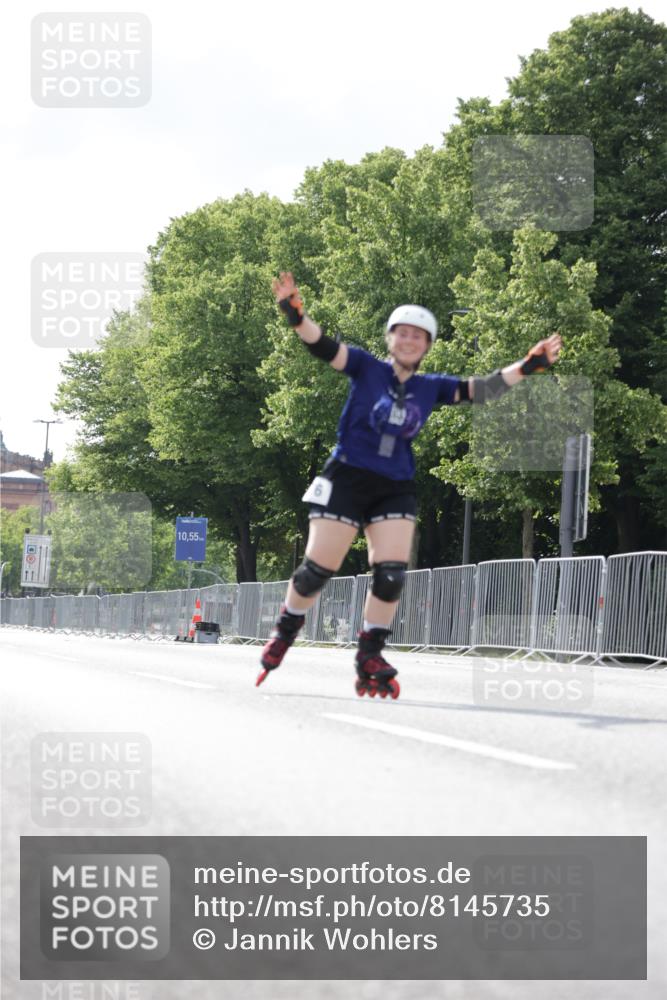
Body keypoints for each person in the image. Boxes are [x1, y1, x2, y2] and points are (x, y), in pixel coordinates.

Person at [257, 271, 562, 697]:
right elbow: (321, 345)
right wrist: (293, 312)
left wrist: (529, 366)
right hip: (346, 476)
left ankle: (369, 652)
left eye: (419, 336)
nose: (409, 340)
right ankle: (286, 628)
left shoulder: (429, 387)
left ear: (428, 346)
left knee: (391, 576)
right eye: (402, 333)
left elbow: (484, 389)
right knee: (316, 572)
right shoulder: (364, 367)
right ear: (389, 339)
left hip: (394, 484)